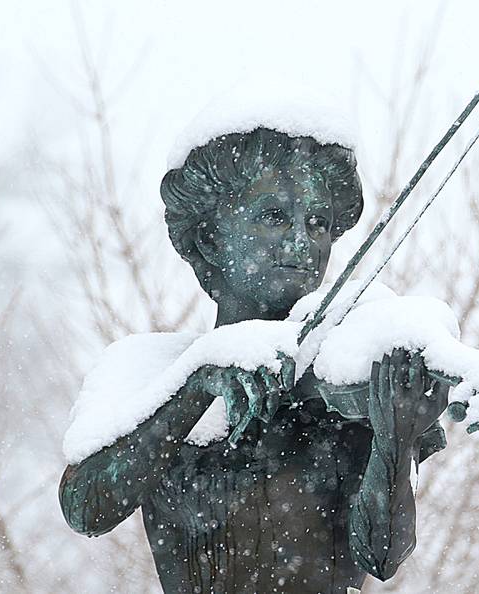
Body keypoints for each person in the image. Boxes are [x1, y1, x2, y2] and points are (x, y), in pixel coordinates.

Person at [59, 128, 448, 594]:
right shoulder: (144, 368)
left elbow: (383, 556)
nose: (303, 246)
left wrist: (394, 444)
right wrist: (198, 383)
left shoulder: (344, 374)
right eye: (274, 217)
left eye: (318, 223)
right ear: (208, 239)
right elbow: (86, 507)